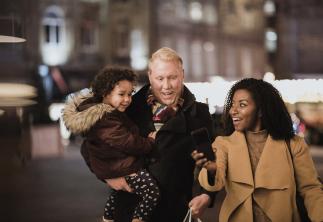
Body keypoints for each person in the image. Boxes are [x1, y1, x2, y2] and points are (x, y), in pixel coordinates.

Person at [106, 47, 216, 222]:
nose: (166, 86)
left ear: (182, 75)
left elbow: (212, 162)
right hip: (128, 211)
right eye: (160, 78)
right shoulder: (128, 107)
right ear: (150, 76)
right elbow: (93, 145)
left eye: (173, 77)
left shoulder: (199, 114)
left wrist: (207, 195)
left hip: (174, 212)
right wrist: (107, 175)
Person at [196, 78, 323, 222]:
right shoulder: (224, 144)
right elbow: (215, 183)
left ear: (261, 110)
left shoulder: (294, 144)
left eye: (242, 105)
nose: (233, 111)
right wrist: (212, 170)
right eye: (232, 105)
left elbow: (310, 189)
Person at [62, 66, 160, 222]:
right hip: (126, 168)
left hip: (117, 168)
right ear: (105, 93)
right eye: (121, 94)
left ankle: (107, 217)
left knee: (117, 194)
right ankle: (138, 219)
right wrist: (150, 142)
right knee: (151, 192)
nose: (127, 99)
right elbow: (128, 142)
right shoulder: (106, 118)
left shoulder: (108, 114)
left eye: (130, 94)